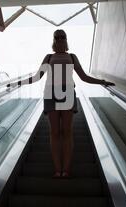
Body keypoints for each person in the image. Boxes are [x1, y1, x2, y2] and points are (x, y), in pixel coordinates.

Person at [12, 29, 115, 178]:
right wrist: (18, 83)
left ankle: (65, 170)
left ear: (66, 39)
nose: (60, 39)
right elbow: (37, 77)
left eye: (62, 37)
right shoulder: (48, 57)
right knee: (54, 132)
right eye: (57, 37)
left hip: (67, 93)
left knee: (67, 131)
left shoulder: (72, 57)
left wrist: (102, 82)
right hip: (50, 93)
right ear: (53, 40)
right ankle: (57, 170)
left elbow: (84, 77)